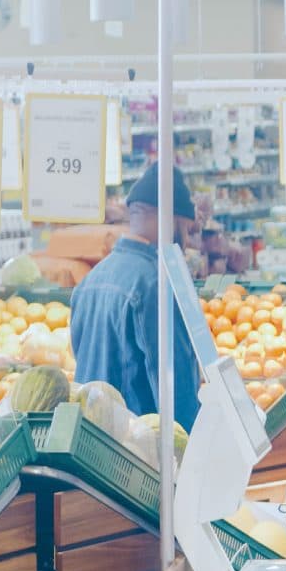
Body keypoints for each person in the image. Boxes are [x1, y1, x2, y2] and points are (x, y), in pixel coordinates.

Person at [69, 161, 203, 431]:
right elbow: (175, 391)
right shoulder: (155, 283)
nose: (187, 242)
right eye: (187, 230)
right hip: (137, 448)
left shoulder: (90, 279)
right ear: (168, 217)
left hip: (92, 439)